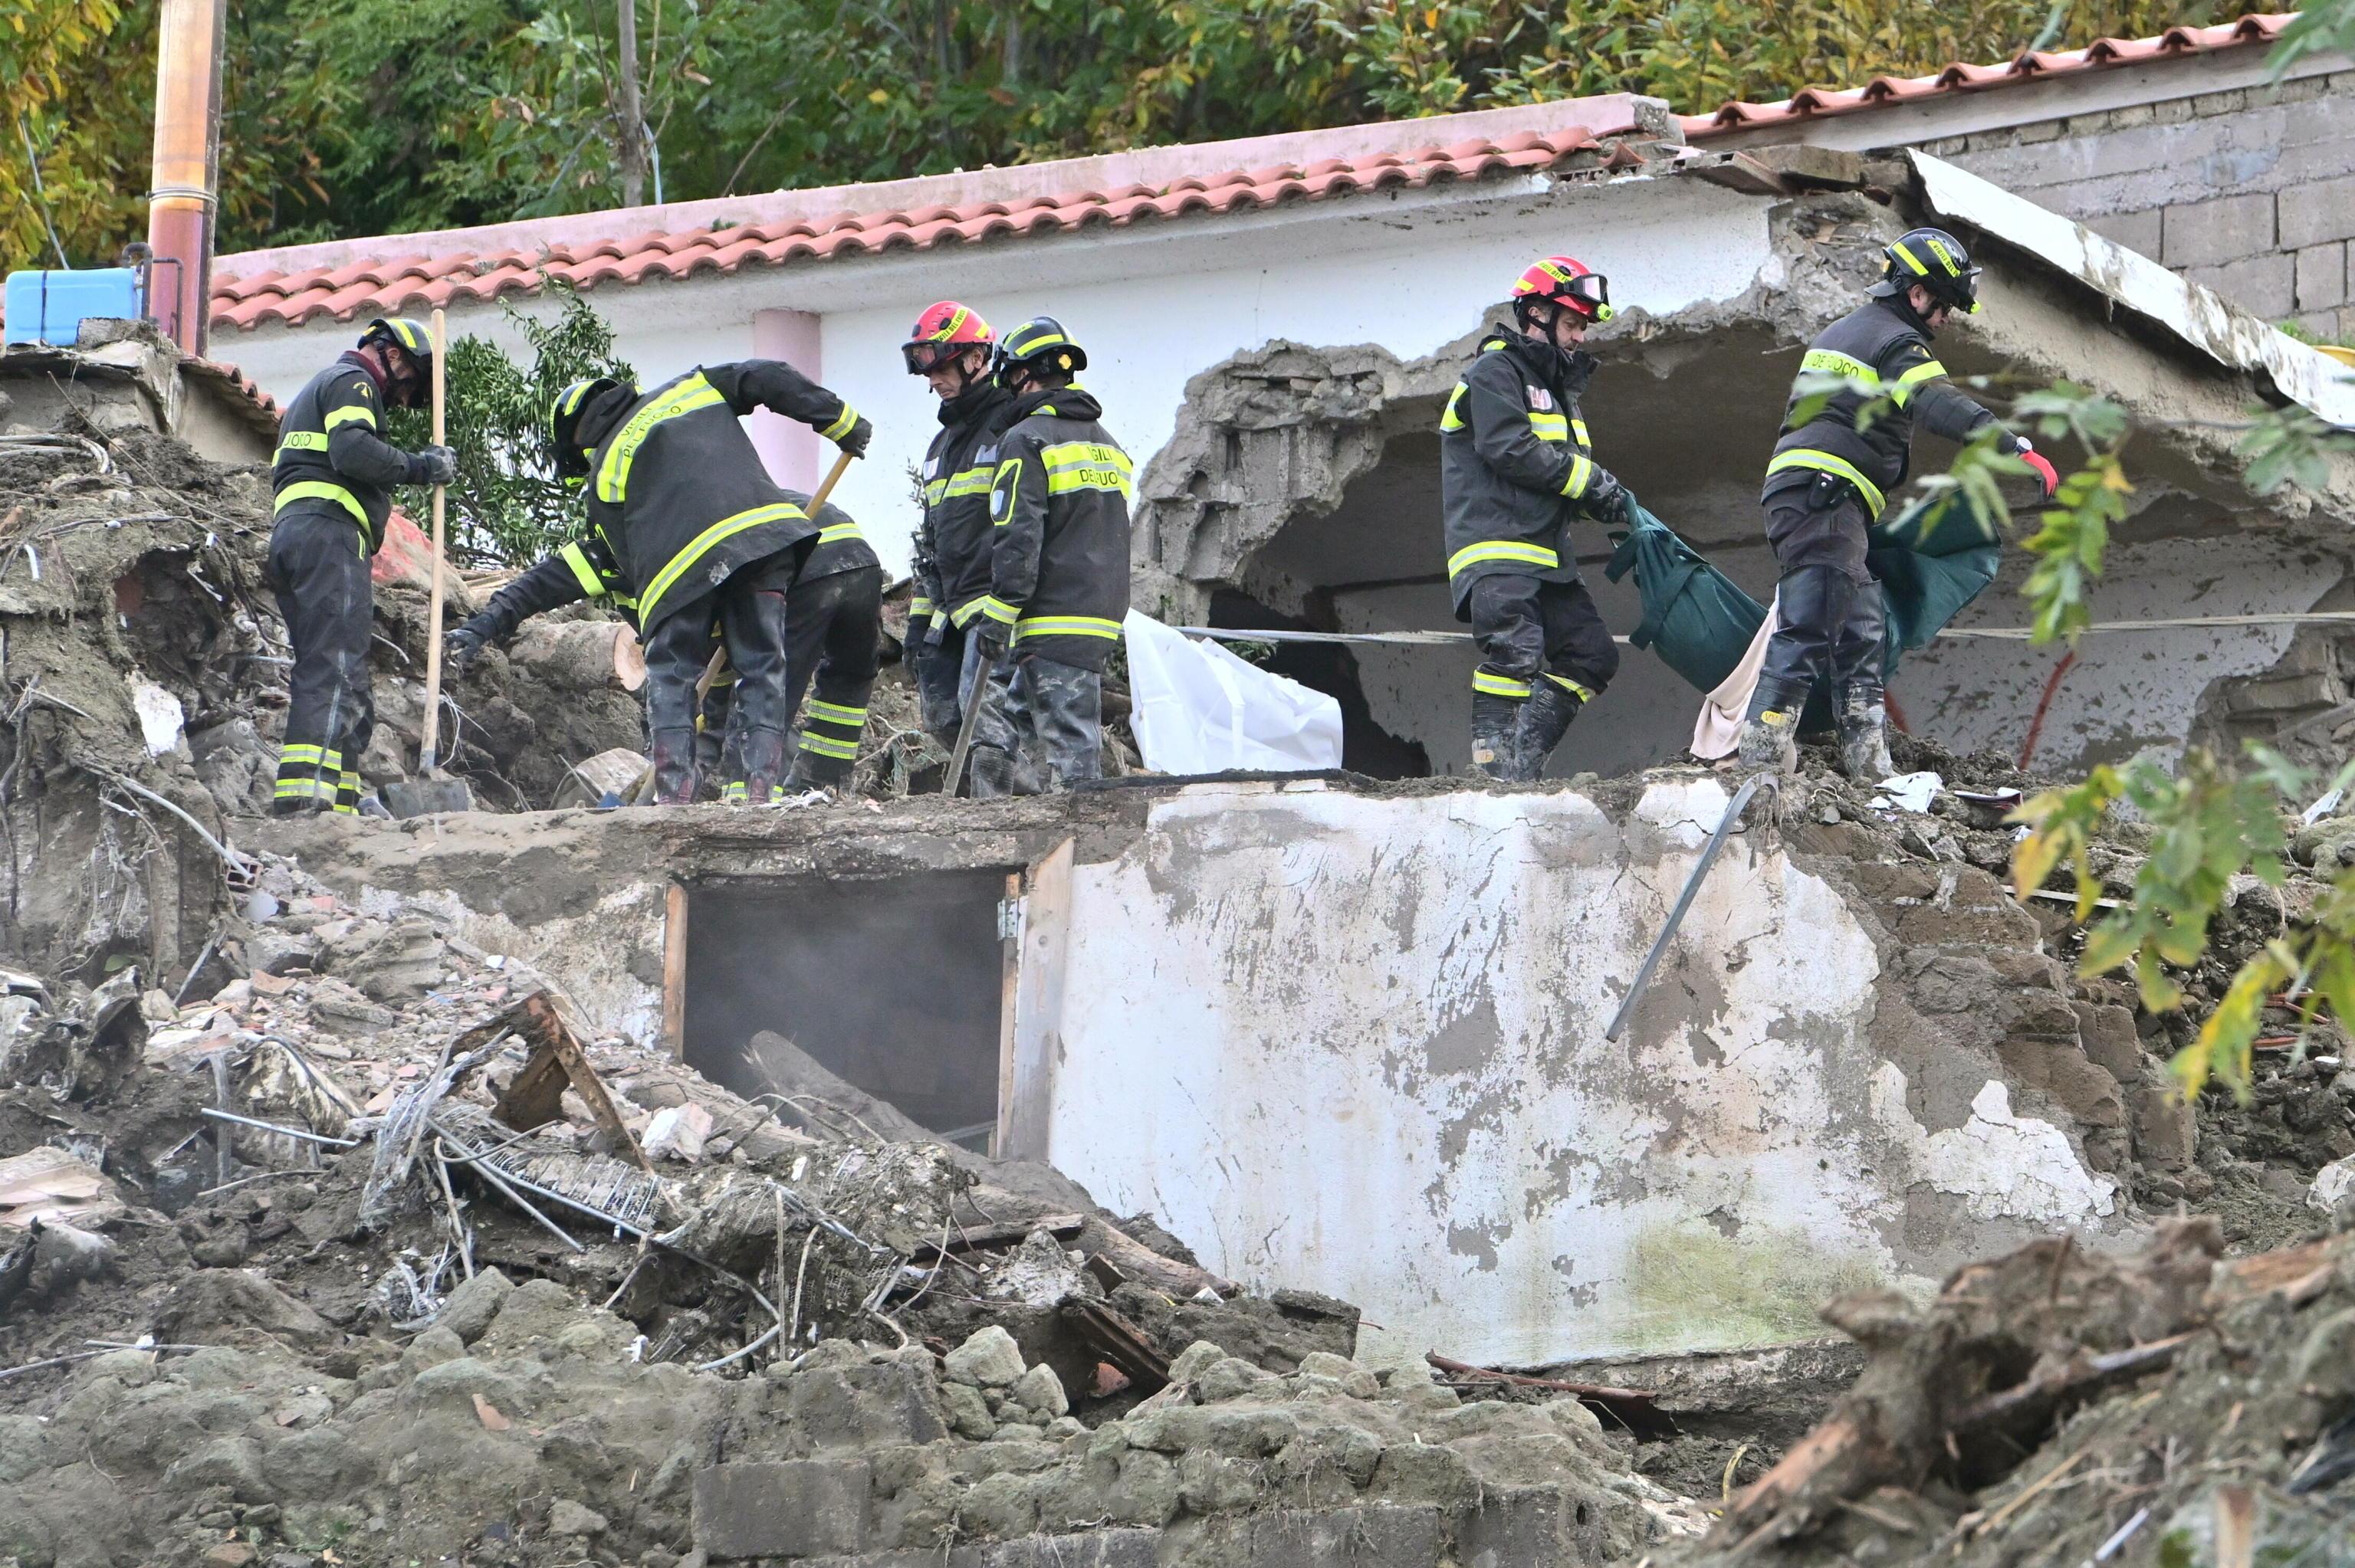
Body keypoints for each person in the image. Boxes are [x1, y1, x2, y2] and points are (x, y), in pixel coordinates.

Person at [1738, 226, 2058, 779]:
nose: (1948, 319)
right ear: (1916, 294)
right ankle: (1759, 763)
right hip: (1823, 496)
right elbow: (1934, 400)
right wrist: (2010, 447)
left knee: (1862, 628)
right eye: (1946, 305)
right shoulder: (1892, 340)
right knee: (1810, 618)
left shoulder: (1848, 332)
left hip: (1822, 499)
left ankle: (1870, 770)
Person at [527, 362, 869, 803]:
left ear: (578, 438)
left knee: (672, 674)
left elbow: (641, 573)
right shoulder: (690, 388)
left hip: (733, 569)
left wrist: (664, 626)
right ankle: (761, 792)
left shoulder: (606, 478)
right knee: (765, 668)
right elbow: (766, 375)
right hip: (774, 550)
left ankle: (674, 800)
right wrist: (840, 420)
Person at [449, 488, 882, 799]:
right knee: (846, 680)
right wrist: (483, 625)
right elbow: (533, 589)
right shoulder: (628, 551)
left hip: (804, 566)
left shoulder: (681, 557)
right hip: (860, 560)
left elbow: (709, 688)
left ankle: (746, 809)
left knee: (763, 699)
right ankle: (818, 786)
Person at [1438, 257, 1633, 782]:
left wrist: (1605, 499)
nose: (1579, 338)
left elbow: (1562, 475)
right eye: (1572, 324)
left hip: (1548, 557)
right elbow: (1510, 449)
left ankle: (1521, 762)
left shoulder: (1558, 392)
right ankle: (1495, 776)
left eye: (1582, 328)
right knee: (1514, 653)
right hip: (1498, 550)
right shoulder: (1495, 371)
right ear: (1538, 314)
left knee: (1593, 655)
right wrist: (1589, 481)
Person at [267, 317, 457, 815]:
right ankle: (307, 803)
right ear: (392, 355)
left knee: (348, 679)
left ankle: (341, 805)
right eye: (411, 383)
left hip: (305, 539)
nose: (401, 400)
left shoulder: (321, 390)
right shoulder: (352, 382)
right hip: (330, 536)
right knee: (333, 671)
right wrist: (421, 467)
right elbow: (352, 451)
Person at [965, 317, 1132, 796]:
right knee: (1013, 717)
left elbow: (1018, 537)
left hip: (1053, 615)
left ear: (1020, 375)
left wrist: (998, 616)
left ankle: (1084, 846)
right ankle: (1001, 820)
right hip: (1099, 614)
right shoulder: (1108, 444)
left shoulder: (1026, 439)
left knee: (1071, 751)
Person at [903, 301, 1015, 746]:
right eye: (927, 371)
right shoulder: (940, 446)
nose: (933, 380)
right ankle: (986, 805)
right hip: (950, 609)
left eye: (943, 366)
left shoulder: (1012, 427)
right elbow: (931, 543)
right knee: (944, 717)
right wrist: (917, 622)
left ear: (976, 358)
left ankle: (1007, 808)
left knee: (981, 718)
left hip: (996, 608)